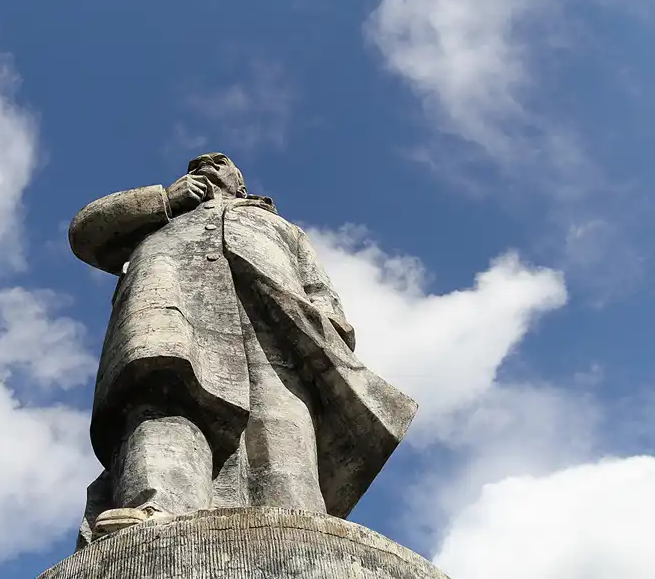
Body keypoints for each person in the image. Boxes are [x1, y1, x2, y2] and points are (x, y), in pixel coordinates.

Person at [68, 153, 417, 546]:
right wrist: (165, 200)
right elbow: (86, 232)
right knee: (164, 401)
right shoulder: (160, 217)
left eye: (220, 161)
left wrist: (330, 334)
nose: (205, 162)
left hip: (272, 322)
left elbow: (317, 286)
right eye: (196, 164)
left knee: (280, 421)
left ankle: (295, 530)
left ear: (240, 183)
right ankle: (155, 506)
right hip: (169, 308)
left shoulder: (279, 226)